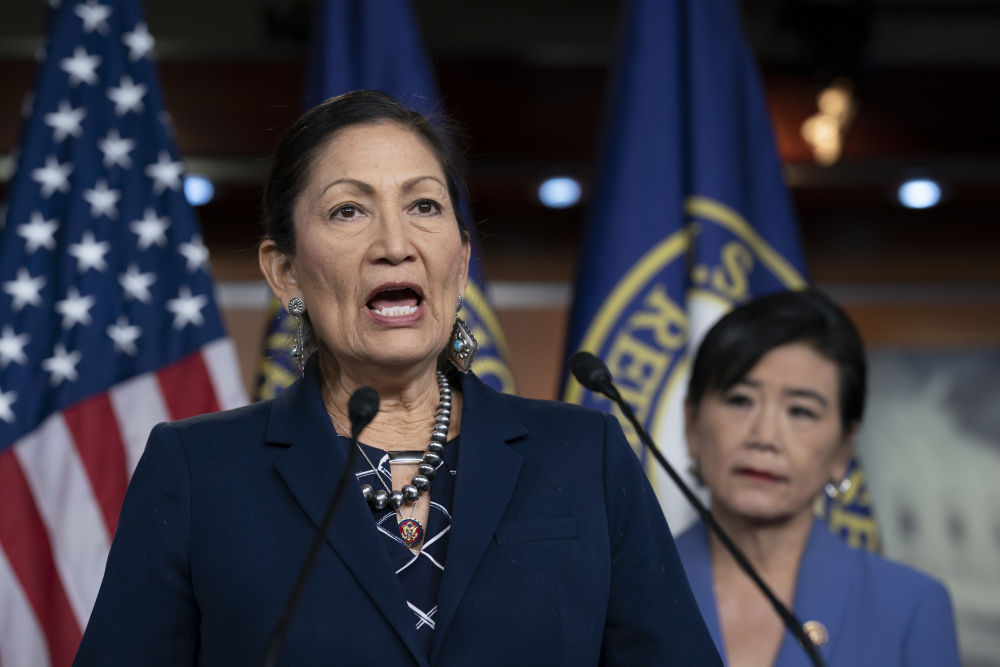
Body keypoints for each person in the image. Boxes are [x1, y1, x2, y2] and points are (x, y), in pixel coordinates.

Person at [73, 90, 722, 667]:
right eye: (348, 211)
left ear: (461, 260)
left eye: (424, 205)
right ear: (286, 272)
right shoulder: (197, 471)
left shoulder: (586, 457)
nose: (395, 242)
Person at [675, 289, 961, 667]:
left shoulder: (909, 606)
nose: (764, 437)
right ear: (692, 423)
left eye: (801, 411)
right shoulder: (625, 591)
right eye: (740, 400)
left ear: (843, 449)